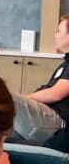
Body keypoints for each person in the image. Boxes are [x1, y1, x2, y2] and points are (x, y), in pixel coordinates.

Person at [11, 14, 69, 144]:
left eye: (59, 31)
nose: (55, 35)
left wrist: (26, 100)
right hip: (48, 114)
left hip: (58, 120)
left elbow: (56, 94)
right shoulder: (66, 62)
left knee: (4, 97)